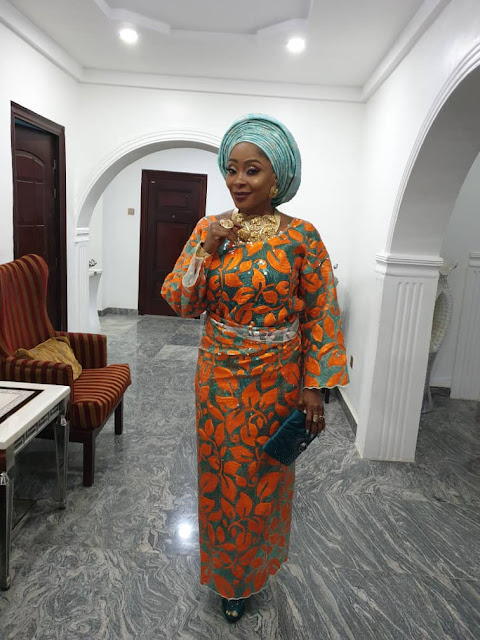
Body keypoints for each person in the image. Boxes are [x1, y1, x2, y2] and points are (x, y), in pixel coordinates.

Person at [162, 113, 348, 623]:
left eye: (252, 170)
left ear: (277, 178)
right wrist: (207, 250)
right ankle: (228, 580)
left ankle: (253, 571)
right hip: (218, 377)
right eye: (232, 169)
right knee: (223, 476)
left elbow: (322, 313)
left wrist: (315, 387)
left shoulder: (302, 237)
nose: (238, 181)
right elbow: (181, 302)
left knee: (264, 476)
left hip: (278, 380)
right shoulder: (209, 229)